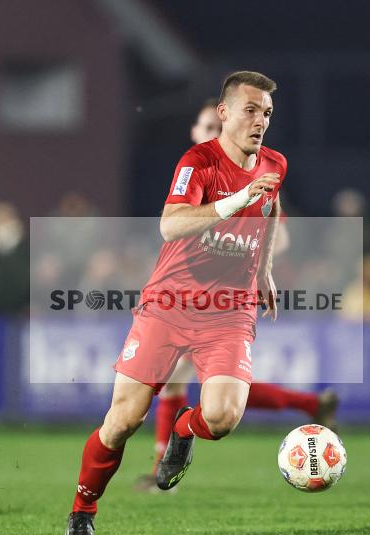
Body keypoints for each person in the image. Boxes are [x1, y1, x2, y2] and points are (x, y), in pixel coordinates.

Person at [66, 71, 286, 535]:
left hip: (230, 309)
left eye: (266, 113)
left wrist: (264, 269)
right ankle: (83, 509)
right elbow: (170, 226)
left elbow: (270, 210)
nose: (260, 121)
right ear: (224, 113)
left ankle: (184, 430)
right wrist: (236, 201)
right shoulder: (198, 162)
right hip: (170, 304)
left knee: (223, 417)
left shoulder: (274, 164)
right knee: (123, 421)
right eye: (250, 110)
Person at [135, 99, 337, 493]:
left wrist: (251, 259)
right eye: (206, 128)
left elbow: (281, 232)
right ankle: (309, 405)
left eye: (218, 127)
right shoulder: (193, 175)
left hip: (226, 301)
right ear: (195, 133)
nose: (214, 135)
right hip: (184, 298)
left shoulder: (256, 177)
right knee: (196, 389)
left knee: (199, 391)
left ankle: (164, 469)